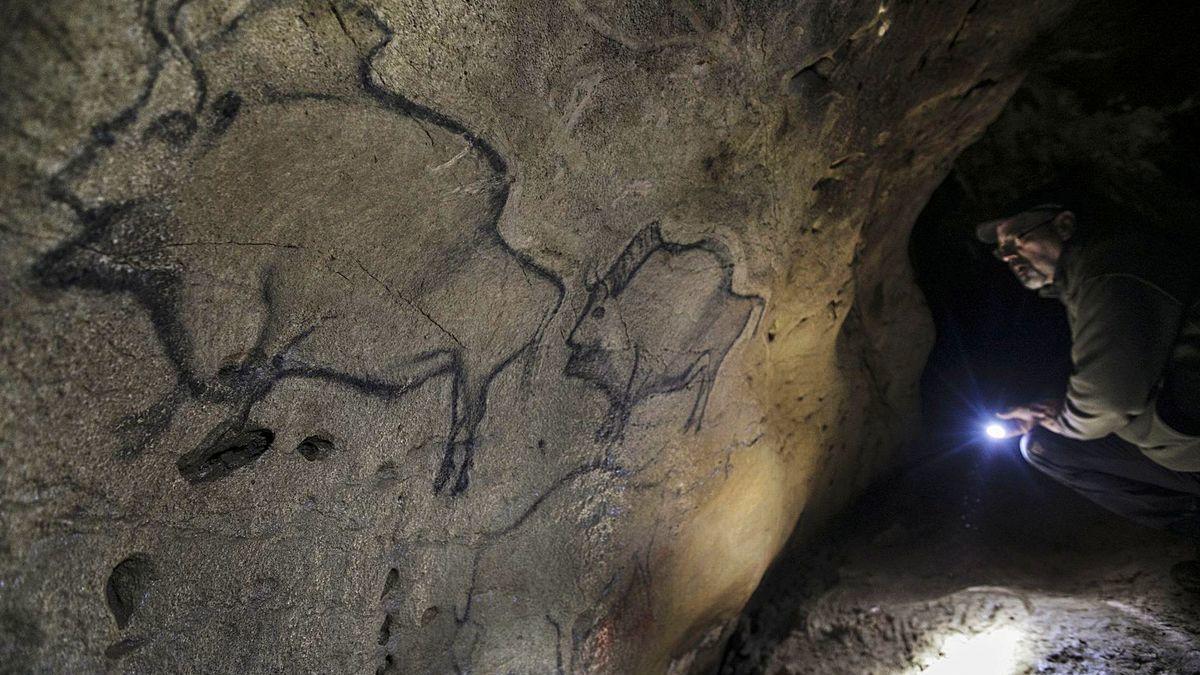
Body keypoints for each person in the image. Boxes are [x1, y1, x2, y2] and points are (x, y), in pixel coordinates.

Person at [976, 200, 1200, 590]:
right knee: (1048, 441)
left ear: (1064, 225)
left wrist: (1059, 418)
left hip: (1190, 439)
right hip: (1181, 433)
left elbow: (1108, 400)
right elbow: (1108, 369)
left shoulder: (1109, 270)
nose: (1009, 255)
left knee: (1050, 444)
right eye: (1002, 249)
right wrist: (1045, 412)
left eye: (1018, 239)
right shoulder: (1083, 277)